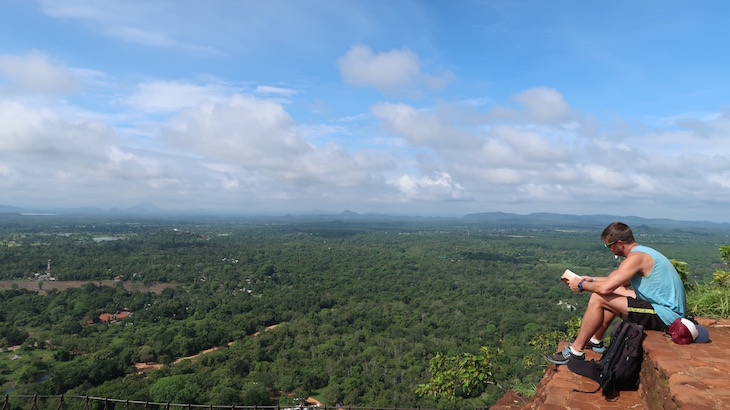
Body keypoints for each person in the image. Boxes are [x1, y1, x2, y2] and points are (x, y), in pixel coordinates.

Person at [545, 221, 687, 364]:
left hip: (666, 316)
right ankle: (595, 341)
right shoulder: (642, 253)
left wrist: (581, 285)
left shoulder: (635, 258)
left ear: (619, 243)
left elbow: (606, 288)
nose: (608, 249)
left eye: (608, 245)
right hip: (662, 308)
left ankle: (575, 351)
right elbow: (618, 282)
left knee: (598, 298)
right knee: (615, 292)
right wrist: (592, 279)